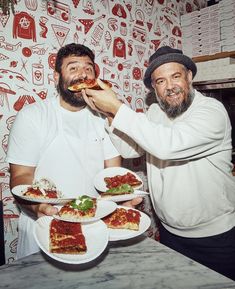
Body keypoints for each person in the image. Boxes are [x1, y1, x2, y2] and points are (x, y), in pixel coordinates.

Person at [82, 46, 235, 280]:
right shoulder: (155, 112)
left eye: (176, 76)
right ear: (154, 87)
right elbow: (129, 150)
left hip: (215, 237)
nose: (170, 86)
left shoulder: (211, 111)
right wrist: (110, 115)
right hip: (170, 233)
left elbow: (168, 145)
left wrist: (116, 107)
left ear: (190, 77)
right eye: (160, 81)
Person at [6, 43, 123, 259]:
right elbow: (21, 175)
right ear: (56, 77)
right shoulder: (34, 115)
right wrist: (37, 207)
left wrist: (120, 198)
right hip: (42, 225)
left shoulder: (102, 117)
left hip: (91, 224)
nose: (82, 75)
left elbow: (113, 173)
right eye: (73, 68)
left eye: (88, 69)